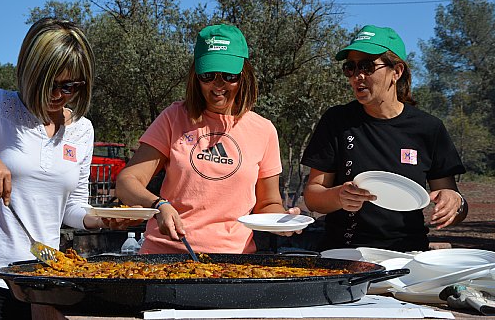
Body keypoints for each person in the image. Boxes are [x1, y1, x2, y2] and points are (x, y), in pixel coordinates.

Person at [0, 18, 137, 320]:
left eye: (69, 85)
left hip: (40, 285)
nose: (59, 94)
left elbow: (72, 208)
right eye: (50, 83)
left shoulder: (82, 130)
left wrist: (101, 220)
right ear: (30, 73)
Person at [115, 24, 300, 254]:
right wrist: (158, 204)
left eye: (229, 75)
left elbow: (267, 204)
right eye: (208, 75)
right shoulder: (173, 117)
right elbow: (127, 181)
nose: (218, 84)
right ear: (196, 75)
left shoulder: (264, 130)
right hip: (165, 257)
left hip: (232, 263)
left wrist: (284, 221)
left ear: (244, 75)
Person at [301, 25, 468, 252]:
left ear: (396, 71)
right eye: (350, 67)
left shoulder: (429, 128)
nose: (357, 76)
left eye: (367, 66)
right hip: (345, 253)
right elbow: (313, 197)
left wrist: (455, 203)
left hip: (408, 255)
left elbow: (454, 204)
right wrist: (339, 197)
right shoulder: (337, 121)